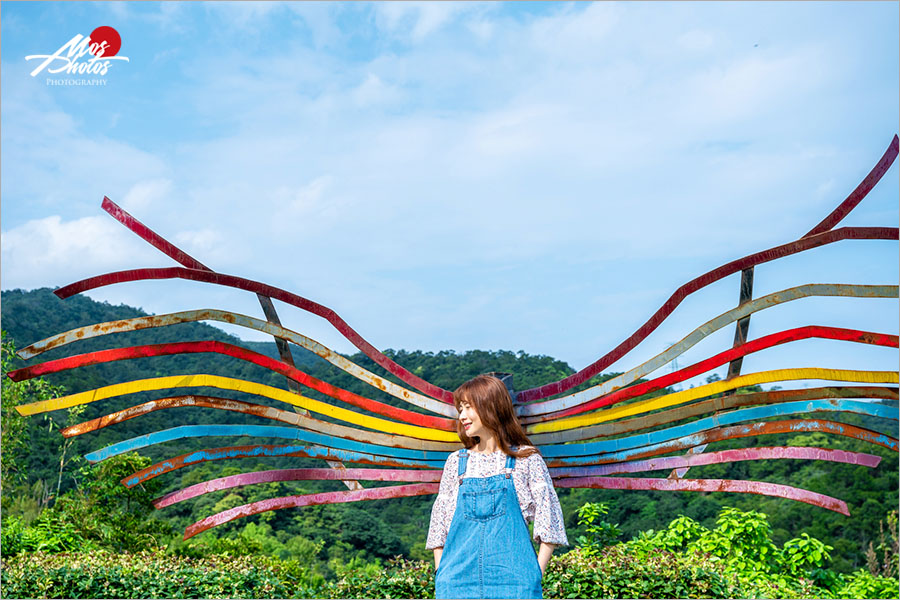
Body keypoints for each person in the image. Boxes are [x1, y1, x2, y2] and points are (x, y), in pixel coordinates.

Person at [426, 374, 568, 599]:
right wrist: (442, 575)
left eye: (467, 407)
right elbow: (438, 529)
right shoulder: (456, 462)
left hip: (515, 585)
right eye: (460, 409)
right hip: (457, 585)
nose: (462, 416)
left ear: (491, 406)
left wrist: (533, 575)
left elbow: (549, 522)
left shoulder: (527, 460)